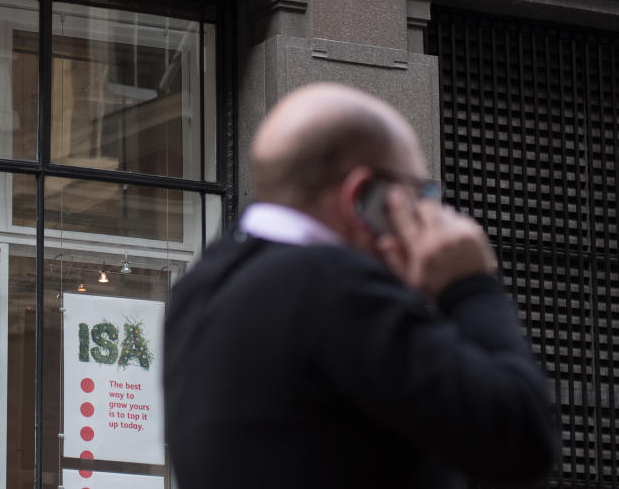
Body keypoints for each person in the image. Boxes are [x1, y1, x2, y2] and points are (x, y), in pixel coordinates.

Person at [164, 82, 559, 488]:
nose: (426, 210)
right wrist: (469, 285)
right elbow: (521, 441)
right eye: (418, 193)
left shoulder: (199, 287)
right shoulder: (336, 287)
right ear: (361, 195)